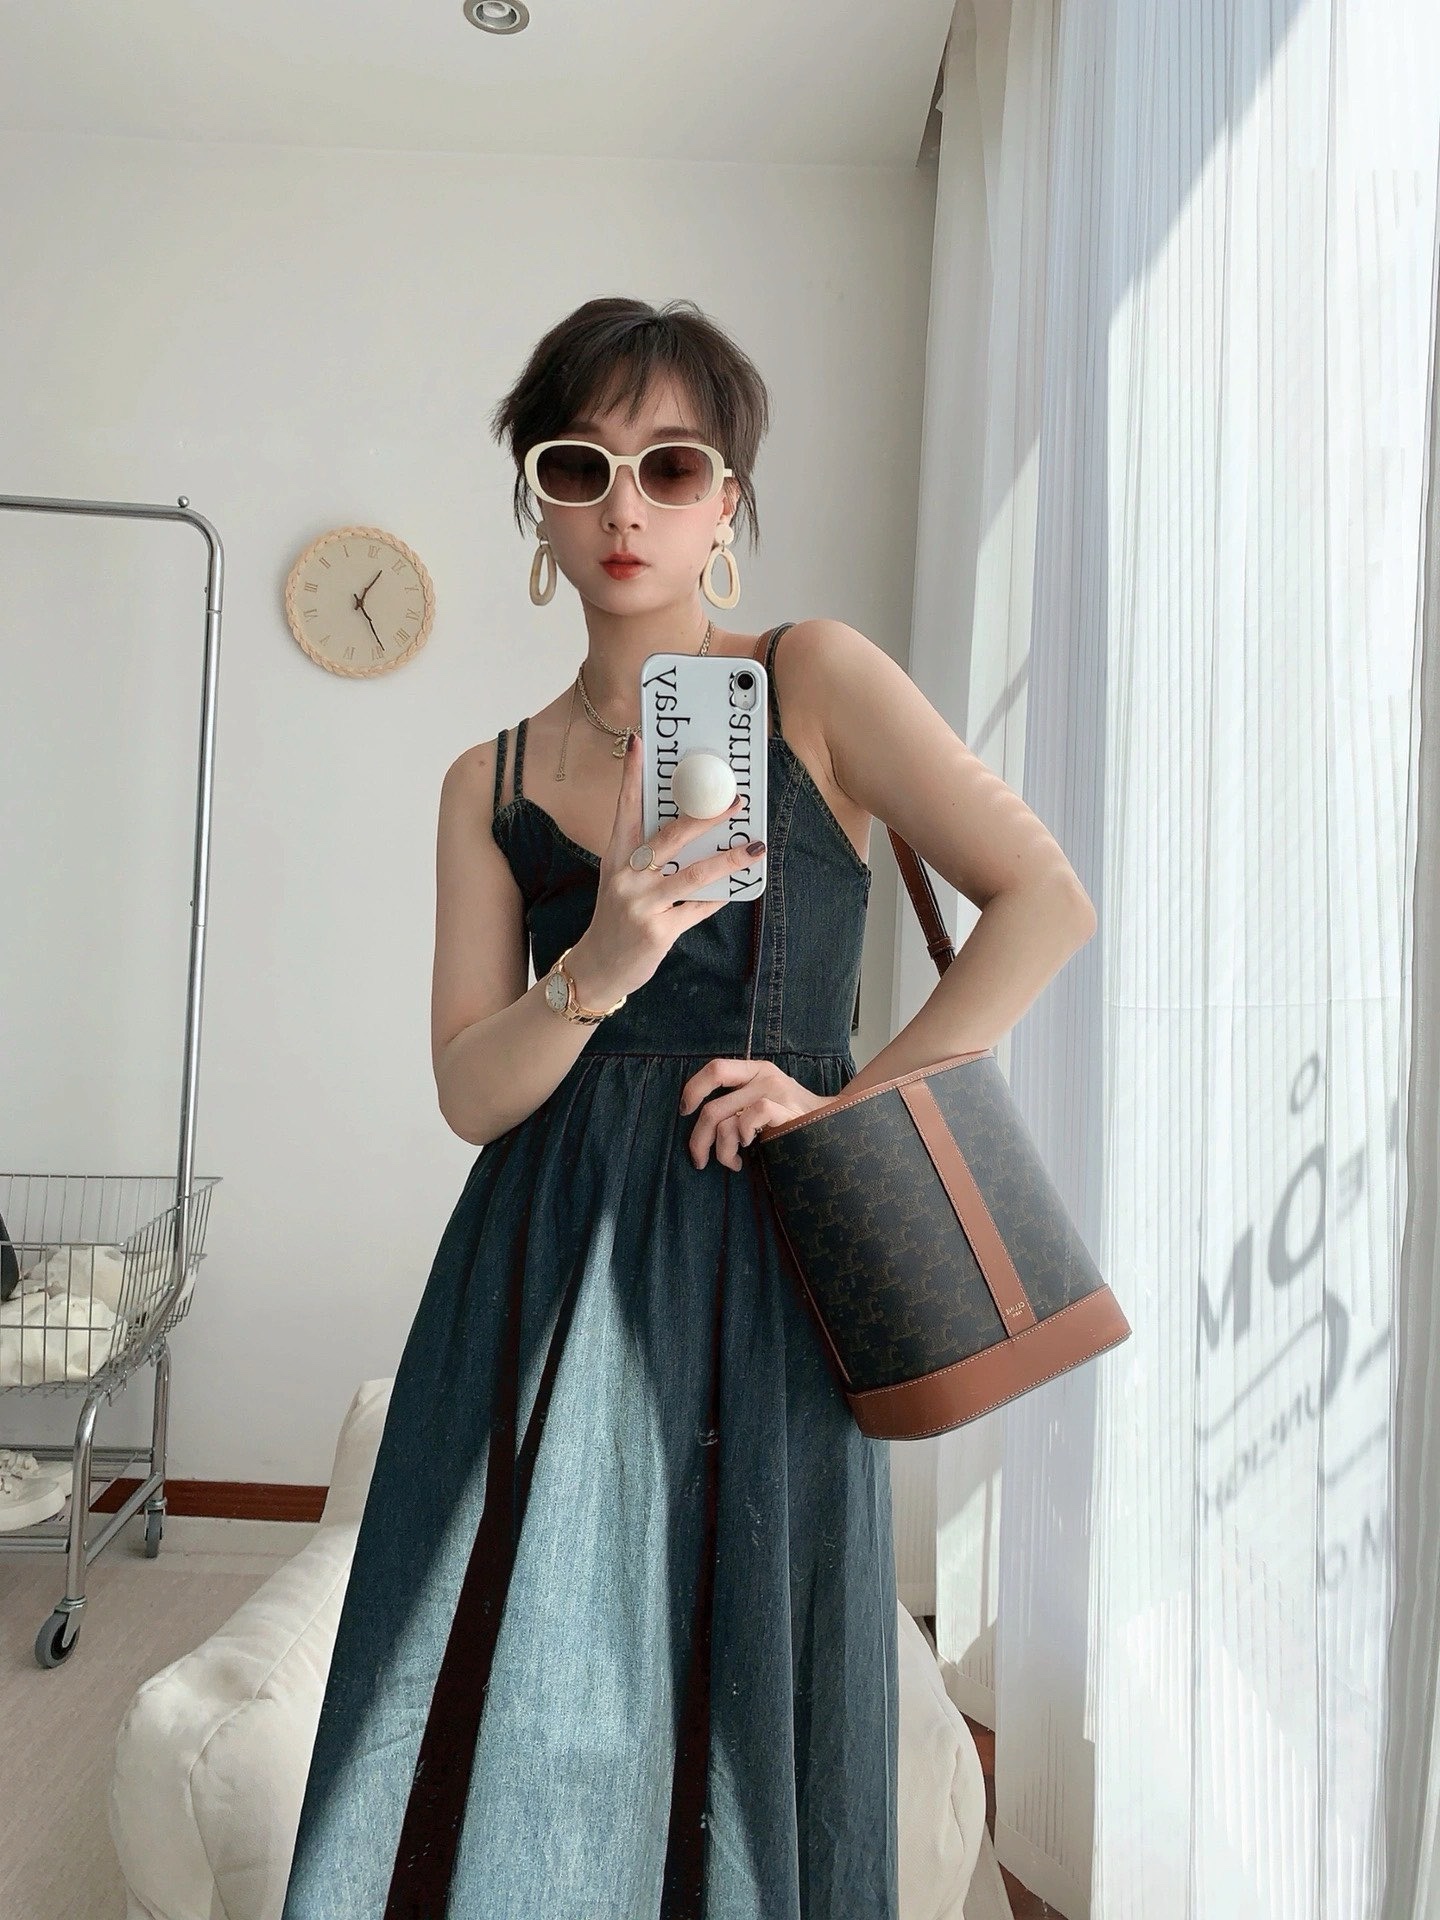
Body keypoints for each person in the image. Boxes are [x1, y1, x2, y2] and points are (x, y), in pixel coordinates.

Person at [281, 295, 1095, 1920]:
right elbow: (470, 1091)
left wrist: (846, 1103)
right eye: (580, 465)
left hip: (769, 1252)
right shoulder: (486, 779)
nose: (625, 504)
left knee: (748, 1674)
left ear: (729, 504)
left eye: (671, 465)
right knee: (517, 1662)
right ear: (537, 504)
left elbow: (1044, 901)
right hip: (541, 1266)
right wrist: (599, 964)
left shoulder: (814, 679)